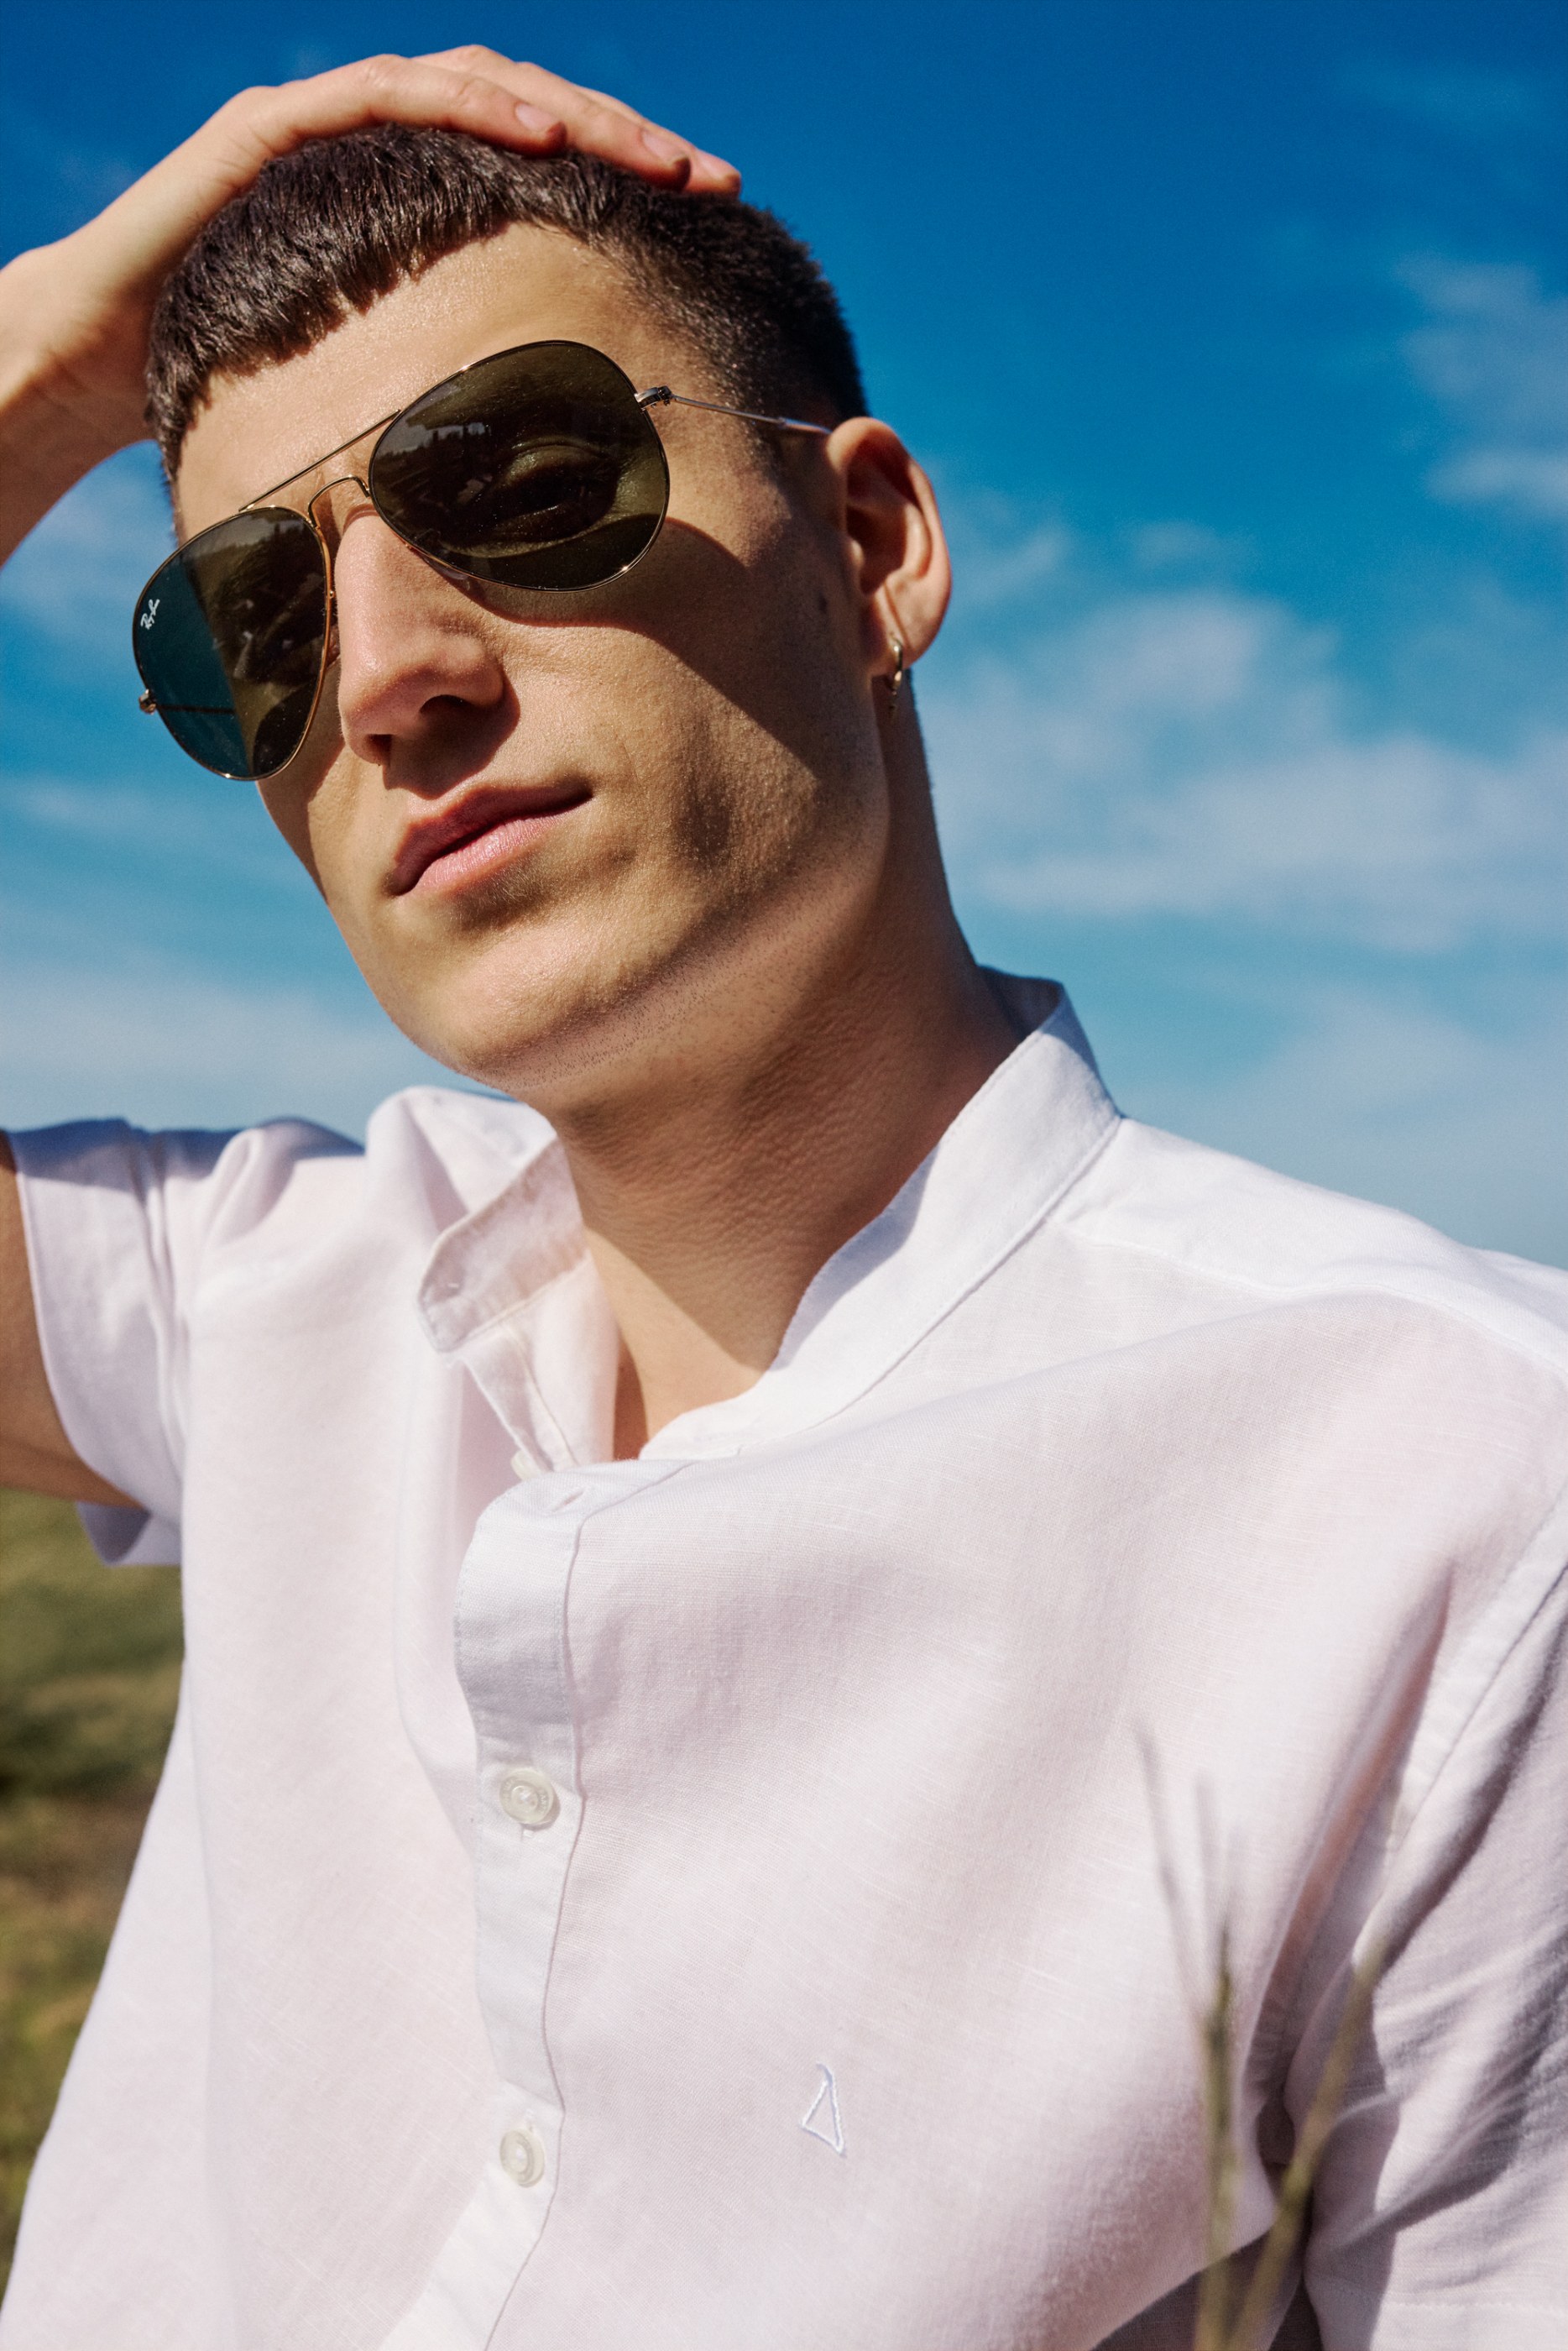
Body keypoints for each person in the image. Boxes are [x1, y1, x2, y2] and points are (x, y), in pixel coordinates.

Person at [0, 48, 1563, 2351]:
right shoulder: (260, 1307)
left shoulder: (1450, 1496)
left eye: (522, 480)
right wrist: (33, 379)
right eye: (251, 625)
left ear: (869, 549)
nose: (391, 679)